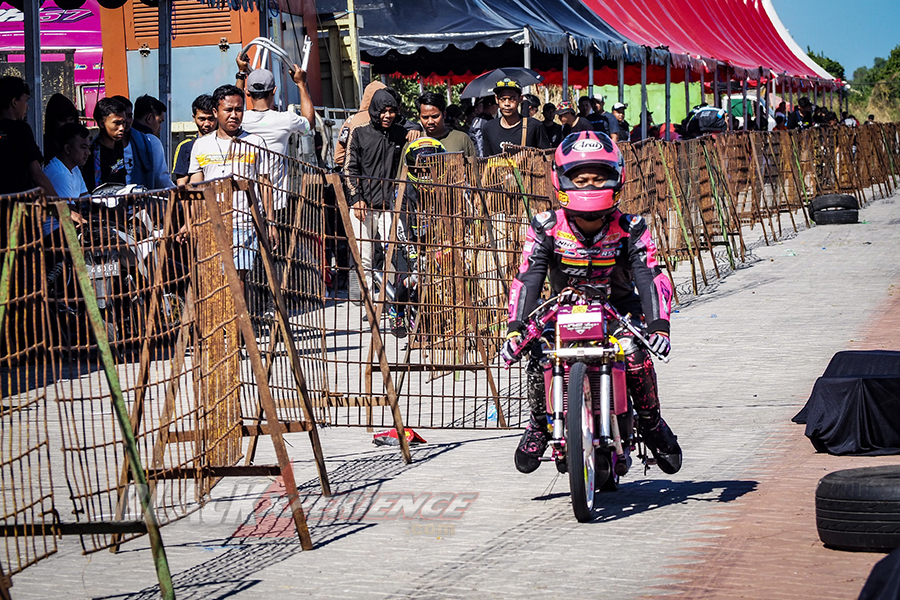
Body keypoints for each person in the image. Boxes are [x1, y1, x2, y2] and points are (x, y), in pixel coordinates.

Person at [501, 130, 680, 475]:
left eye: (599, 177)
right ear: (561, 180)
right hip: (560, 311)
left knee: (635, 353)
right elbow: (528, 276)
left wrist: (659, 327)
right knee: (538, 354)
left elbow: (650, 274)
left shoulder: (632, 226)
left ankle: (650, 421)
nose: (590, 186)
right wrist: (514, 329)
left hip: (618, 312)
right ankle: (540, 423)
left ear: (617, 177)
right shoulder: (545, 226)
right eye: (580, 178)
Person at [187, 84, 272, 282]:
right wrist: (193, 222)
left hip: (244, 223)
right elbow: (195, 188)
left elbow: (265, 184)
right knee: (214, 280)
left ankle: (240, 314)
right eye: (228, 110)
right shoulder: (201, 145)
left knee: (237, 278)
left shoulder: (255, 143)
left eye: (239, 109)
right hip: (210, 223)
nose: (234, 115)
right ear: (216, 112)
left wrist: (271, 222)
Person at [343, 87, 409, 300]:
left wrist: (415, 129)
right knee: (365, 256)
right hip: (363, 206)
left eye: (391, 111)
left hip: (389, 206)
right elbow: (349, 168)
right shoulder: (360, 133)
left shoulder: (400, 133)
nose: (387, 115)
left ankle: (392, 303)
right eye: (383, 111)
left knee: (394, 253)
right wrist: (356, 199)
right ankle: (369, 302)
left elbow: (414, 131)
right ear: (374, 110)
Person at [0, 76, 57, 196]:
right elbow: (37, 175)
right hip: (16, 208)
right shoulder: (20, 129)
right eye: (25, 101)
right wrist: (64, 211)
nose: (27, 107)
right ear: (14, 102)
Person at [110, 95, 172, 189]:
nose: (160, 128)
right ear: (149, 118)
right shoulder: (151, 141)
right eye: (159, 122)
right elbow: (161, 179)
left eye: (129, 116)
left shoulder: (97, 144)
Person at [481, 78, 549, 155]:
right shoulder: (489, 128)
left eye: (512, 99)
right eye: (503, 99)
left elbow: (547, 158)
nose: (507, 103)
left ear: (520, 99)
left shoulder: (534, 126)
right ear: (496, 99)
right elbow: (487, 161)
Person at [43, 122, 89, 235]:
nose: (88, 152)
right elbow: (71, 212)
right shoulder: (60, 174)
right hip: (55, 234)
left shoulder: (74, 168)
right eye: (83, 147)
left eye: (88, 147)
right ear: (68, 149)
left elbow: (86, 200)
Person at [82, 97, 128, 190]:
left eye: (123, 122)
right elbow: (97, 189)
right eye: (117, 123)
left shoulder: (118, 144)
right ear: (102, 123)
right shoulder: (95, 153)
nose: (122, 128)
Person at [172, 94, 217, 186]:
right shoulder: (185, 147)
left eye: (210, 119)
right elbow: (181, 183)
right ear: (194, 118)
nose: (207, 123)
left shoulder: (229, 142)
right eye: (202, 119)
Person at [414, 91, 476, 158]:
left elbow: (473, 166)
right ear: (419, 117)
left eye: (435, 116)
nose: (430, 121)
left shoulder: (462, 139)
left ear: (444, 114)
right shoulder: (414, 142)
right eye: (425, 117)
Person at [43, 93, 79, 166]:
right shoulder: (44, 146)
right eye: (63, 120)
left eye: (71, 119)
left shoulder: (79, 142)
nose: (68, 124)